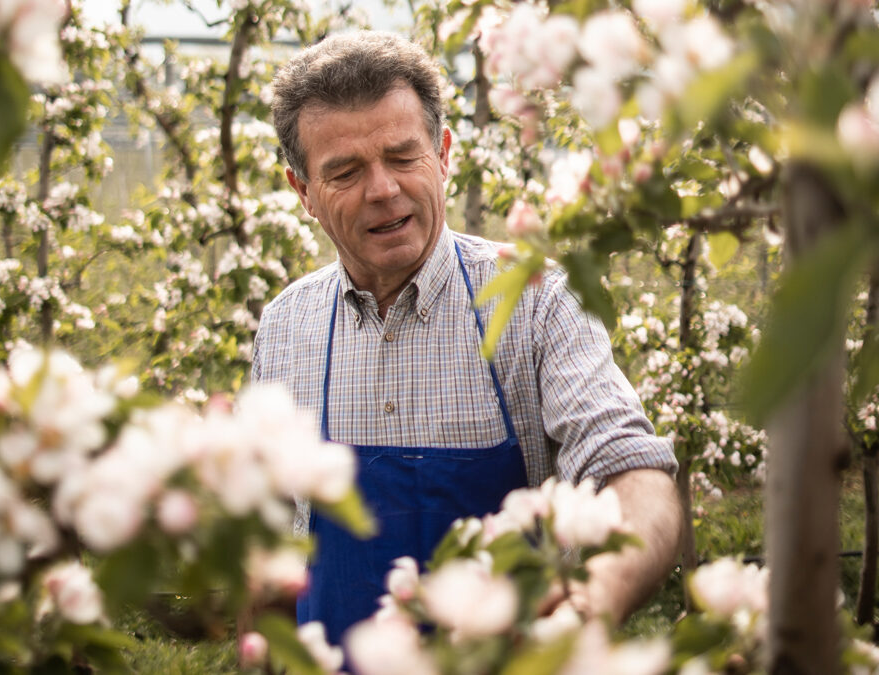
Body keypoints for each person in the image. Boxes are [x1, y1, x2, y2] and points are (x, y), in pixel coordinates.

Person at [251, 30, 682, 645]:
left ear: (444, 155)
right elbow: (266, 537)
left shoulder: (535, 299)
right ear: (303, 193)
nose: (383, 189)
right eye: (345, 172)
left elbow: (630, 467)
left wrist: (593, 600)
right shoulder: (285, 328)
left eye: (403, 157)